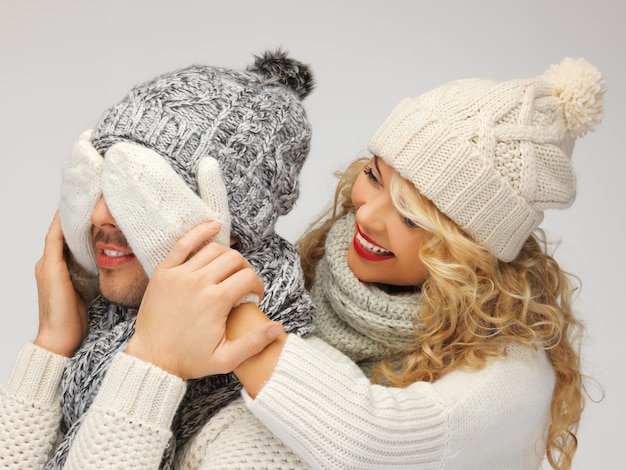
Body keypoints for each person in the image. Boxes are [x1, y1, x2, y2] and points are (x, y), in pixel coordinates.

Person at [129, 57, 604, 469]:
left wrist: (214, 283)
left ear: (470, 251)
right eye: (374, 177)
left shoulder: (512, 372)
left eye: (411, 217)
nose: (368, 215)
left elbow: (367, 440)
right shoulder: (318, 275)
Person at [0, 49, 316, 469]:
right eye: (100, 179)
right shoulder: (99, 343)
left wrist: (154, 364)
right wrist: (51, 349)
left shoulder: (264, 420)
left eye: (141, 194)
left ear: (229, 230)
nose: (97, 215)